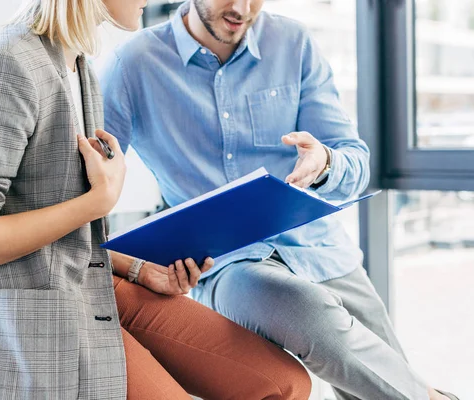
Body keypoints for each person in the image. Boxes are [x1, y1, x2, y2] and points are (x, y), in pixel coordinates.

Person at [0, 0, 312, 399]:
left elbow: (55, 227)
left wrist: (138, 269)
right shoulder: (3, 67)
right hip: (29, 310)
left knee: (285, 383)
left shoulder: (78, 66)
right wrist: (97, 202)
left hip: (89, 280)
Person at [98, 0, 460, 399]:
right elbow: (88, 184)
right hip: (227, 266)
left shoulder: (294, 43)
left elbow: (355, 164)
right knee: (312, 317)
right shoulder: (132, 64)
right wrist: (138, 263)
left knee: (387, 383)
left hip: (321, 249)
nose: (241, 8)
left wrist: (324, 162)